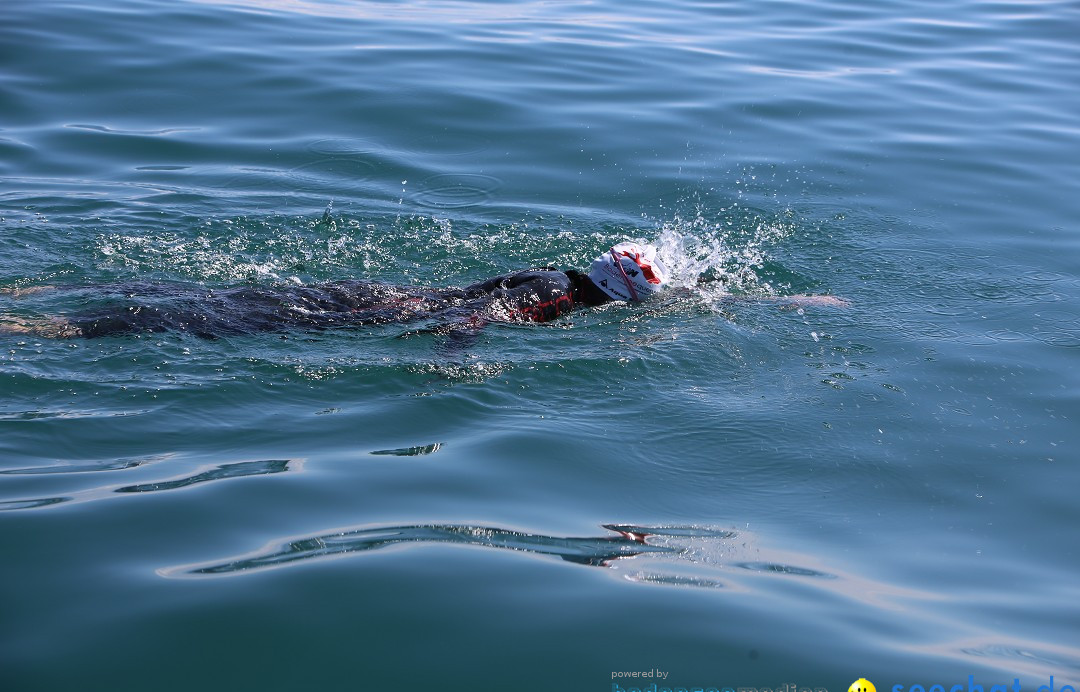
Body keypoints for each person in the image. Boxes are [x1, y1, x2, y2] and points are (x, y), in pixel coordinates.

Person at [0, 242, 842, 339]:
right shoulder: (558, 303)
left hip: (375, 287)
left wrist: (782, 304)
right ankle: (34, 330)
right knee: (184, 323)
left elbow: (695, 293)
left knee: (191, 293)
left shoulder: (562, 274)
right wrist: (456, 360)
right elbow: (482, 314)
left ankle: (38, 288)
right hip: (372, 314)